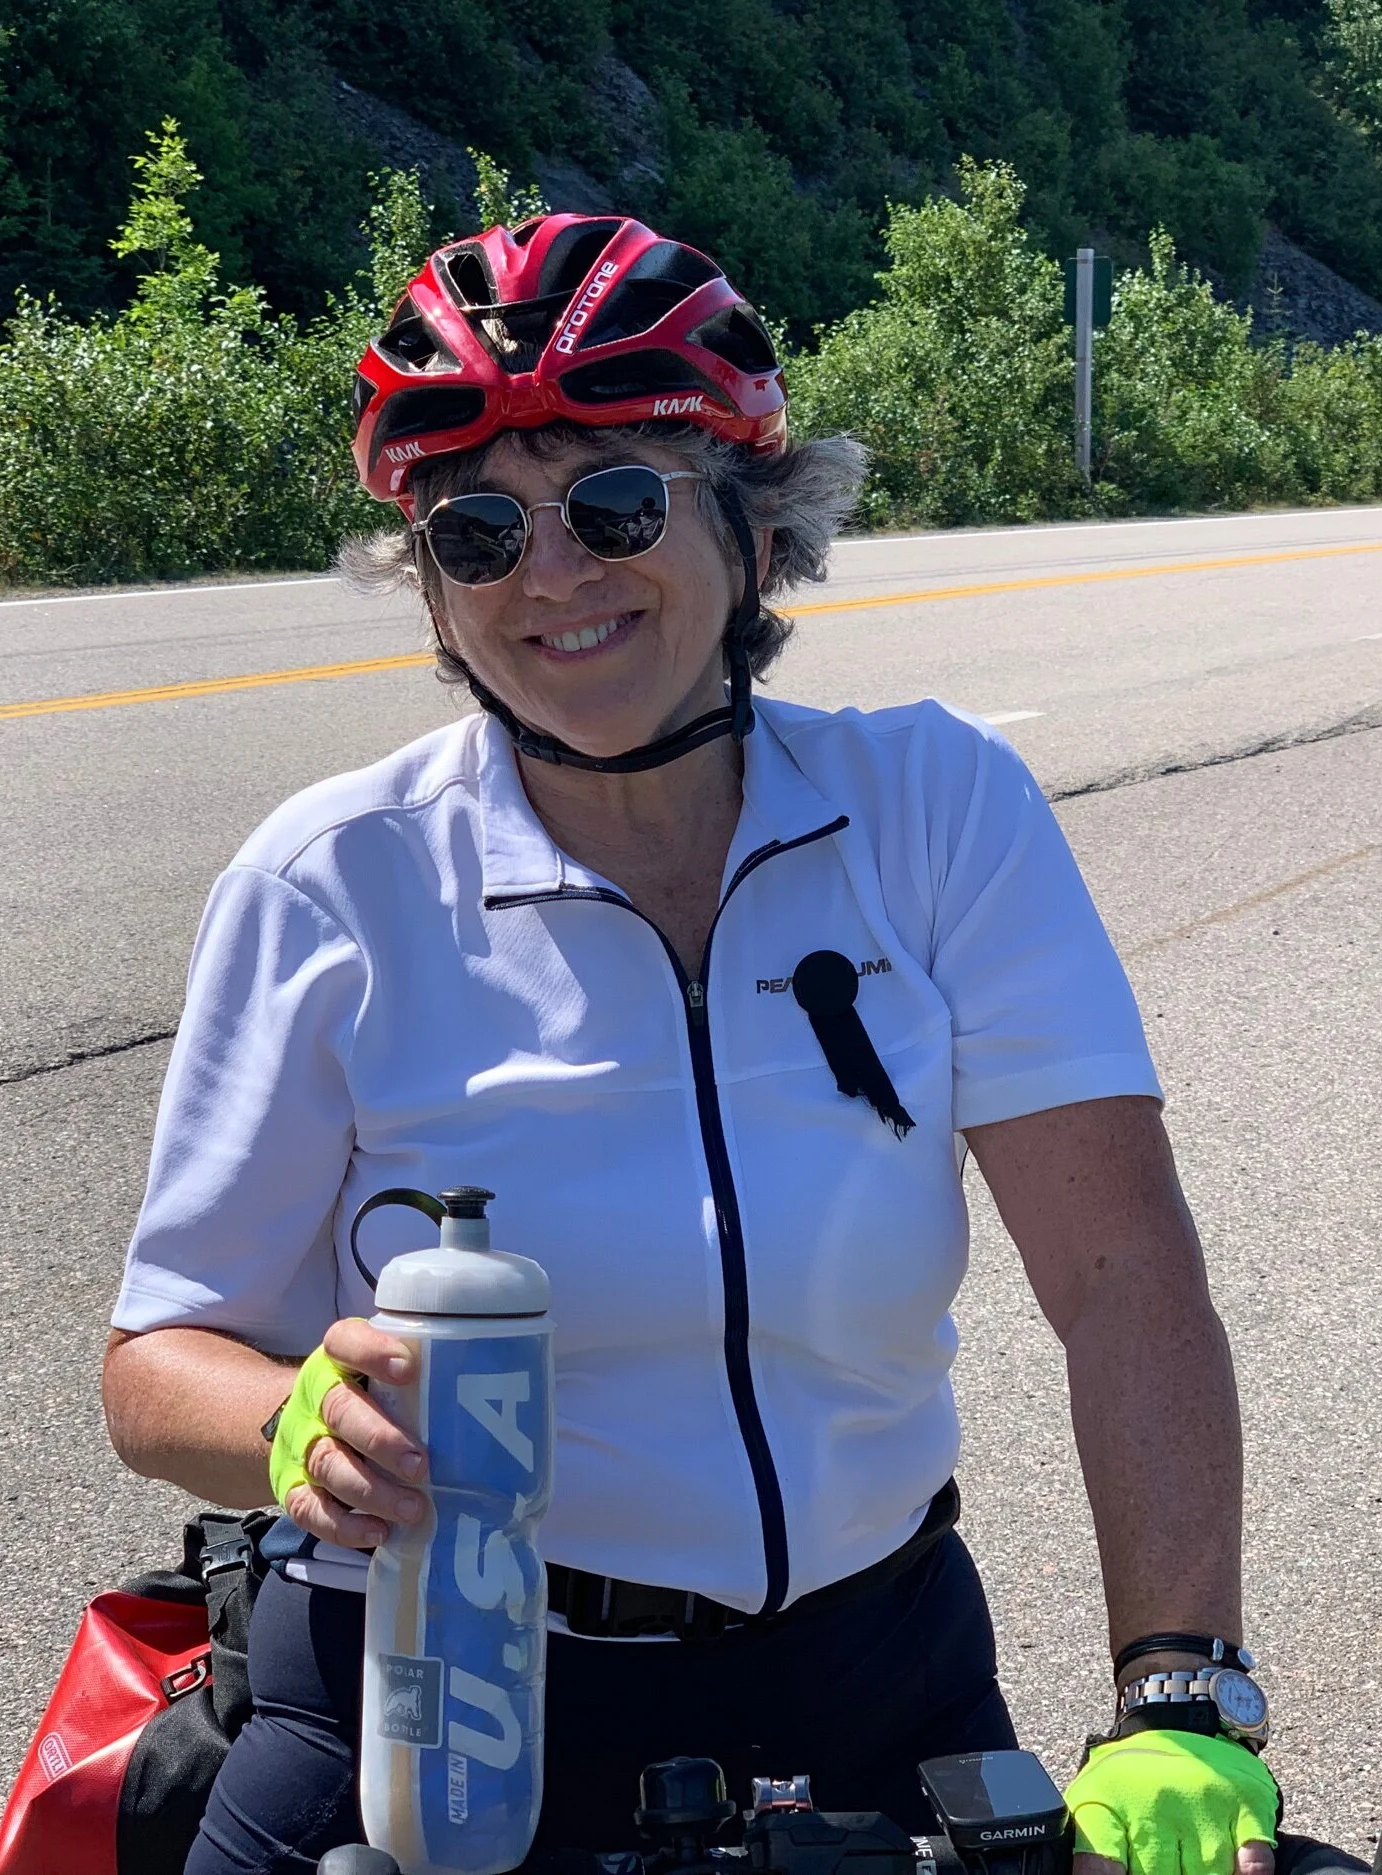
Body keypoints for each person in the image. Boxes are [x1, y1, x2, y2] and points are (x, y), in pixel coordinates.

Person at [102, 213, 1278, 1875]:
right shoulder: (334, 882)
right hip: (433, 1708)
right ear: (430, 585)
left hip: (874, 1681)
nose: (554, 575)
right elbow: (157, 1363)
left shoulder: (936, 810)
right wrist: (294, 1417)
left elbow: (1123, 1277)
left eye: (614, 501)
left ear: (755, 524)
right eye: (480, 530)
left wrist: (1180, 1690)